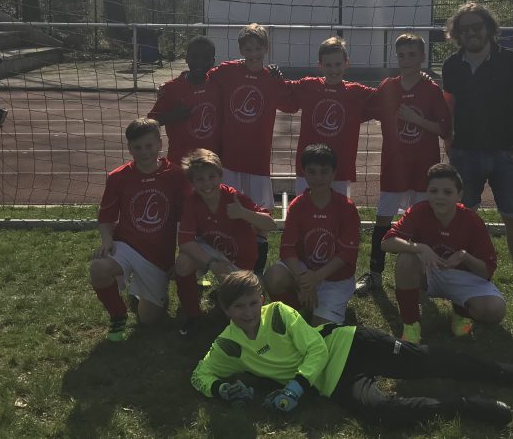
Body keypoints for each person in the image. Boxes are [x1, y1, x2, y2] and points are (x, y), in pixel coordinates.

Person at [190, 271, 513, 427]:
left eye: (253, 303)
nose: (248, 313)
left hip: (349, 344)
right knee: (384, 415)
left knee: (424, 363)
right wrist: (221, 388)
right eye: (238, 308)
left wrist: (295, 388)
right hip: (333, 383)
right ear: (226, 311)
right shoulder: (227, 345)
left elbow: (315, 349)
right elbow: (200, 374)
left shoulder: (280, 313)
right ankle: (465, 406)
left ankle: (503, 374)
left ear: (262, 300)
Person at [441, 3, 513, 307]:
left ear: (489, 28)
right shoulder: (452, 66)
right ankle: (462, 277)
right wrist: (448, 139)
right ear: (457, 35)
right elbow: (447, 105)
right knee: (463, 218)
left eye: (476, 26)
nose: (471, 33)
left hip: (508, 155)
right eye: (464, 29)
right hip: (466, 154)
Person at [355, 33, 450, 296]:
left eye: (412, 55)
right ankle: (374, 273)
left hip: (424, 168)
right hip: (394, 167)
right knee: (383, 219)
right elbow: (364, 109)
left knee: (421, 221)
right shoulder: (388, 87)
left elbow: (443, 129)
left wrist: (415, 119)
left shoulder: (431, 90)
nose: (406, 60)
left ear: (422, 57)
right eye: (401, 55)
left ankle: (423, 274)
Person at [89, 118, 190, 340]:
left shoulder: (176, 176)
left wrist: (182, 254)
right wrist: (107, 240)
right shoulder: (118, 177)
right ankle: (118, 315)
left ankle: (142, 290)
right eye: (137, 147)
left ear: (159, 144)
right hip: (126, 246)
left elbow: (188, 220)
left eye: (149, 146)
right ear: (129, 148)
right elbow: (106, 218)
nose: (144, 152)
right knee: (98, 269)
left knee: (149, 320)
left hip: (158, 258)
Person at [380, 164, 505, 343]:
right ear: (427, 192)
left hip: (462, 276)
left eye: (447, 192)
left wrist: (464, 256)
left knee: (495, 310)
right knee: (406, 258)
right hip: (429, 272)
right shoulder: (419, 211)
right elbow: (386, 243)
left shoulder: (472, 221)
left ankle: (461, 312)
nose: (439, 197)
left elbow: (486, 272)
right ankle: (411, 325)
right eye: (434, 191)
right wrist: (420, 248)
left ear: (459, 195)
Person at [207, 24, 288, 275]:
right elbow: (202, 76)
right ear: (240, 49)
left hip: (257, 159)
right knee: (227, 211)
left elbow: (291, 103)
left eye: (258, 48)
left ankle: (257, 270)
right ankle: (226, 267)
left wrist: (280, 80)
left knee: (259, 212)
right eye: (247, 48)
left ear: (266, 48)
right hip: (230, 157)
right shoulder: (228, 71)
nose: (253, 53)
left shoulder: (271, 78)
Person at [174, 148, 276, 337]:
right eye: (200, 179)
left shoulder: (234, 197)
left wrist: (244, 213)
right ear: (192, 182)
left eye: (211, 177)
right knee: (183, 263)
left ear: (220, 176)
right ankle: (193, 315)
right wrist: (212, 263)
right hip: (213, 253)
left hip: (241, 260)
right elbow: (185, 241)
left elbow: (269, 225)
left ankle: (236, 293)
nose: (206, 184)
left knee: (243, 318)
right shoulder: (192, 201)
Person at [264, 143, 360, 325]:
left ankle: (320, 306)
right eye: (312, 171)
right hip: (304, 270)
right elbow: (287, 250)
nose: (318, 178)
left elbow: (346, 255)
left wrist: (317, 277)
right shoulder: (298, 205)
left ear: (334, 173)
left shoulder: (346, 208)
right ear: (304, 173)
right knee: (274, 276)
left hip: (334, 277)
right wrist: (304, 280)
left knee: (321, 332)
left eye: (324, 172)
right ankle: (297, 308)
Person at [279, 36, 373, 197]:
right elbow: (280, 91)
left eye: (337, 64)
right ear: (320, 66)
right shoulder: (308, 86)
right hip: (308, 168)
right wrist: (273, 76)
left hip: (340, 168)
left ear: (346, 63)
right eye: (328, 65)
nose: (333, 69)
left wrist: (419, 77)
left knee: (339, 213)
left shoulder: (357, 92)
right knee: (304, 210)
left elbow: (386, 96)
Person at [148, 35, 221, 164]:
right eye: (195, 57)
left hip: (210, 162)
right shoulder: (171, 88)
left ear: (213, 61)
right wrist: (172, 116)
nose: (200, 62)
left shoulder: (218, 84)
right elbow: (150, 122)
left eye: (206, 58)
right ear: (187, 59)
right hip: (180, 160)